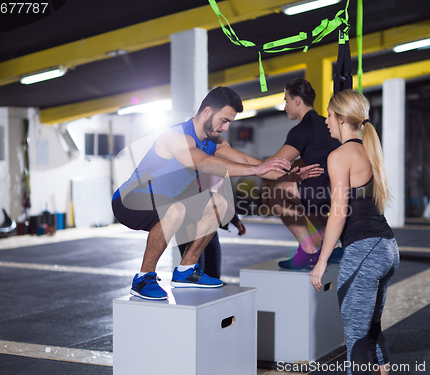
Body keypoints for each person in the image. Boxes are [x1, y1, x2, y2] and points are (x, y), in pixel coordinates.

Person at [112, 86, 321, 300]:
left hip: (169, 204)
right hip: (130, 200)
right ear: (207, 112)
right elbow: (202, 162)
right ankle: (143, 278)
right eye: (224, 120)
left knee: (219, 204)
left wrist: (288, 175)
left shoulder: (214, 141)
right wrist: (256, 170)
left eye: (230, 122)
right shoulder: (176, 136)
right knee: (174, 209)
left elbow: (250, 161)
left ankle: (186, 271)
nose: (226, 127)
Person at [309, 89, 399, 375]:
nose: (325, 121)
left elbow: (339, 212)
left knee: (356, 338)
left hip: (364, 252)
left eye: (329, 114)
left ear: (340, 118)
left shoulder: (339, 155)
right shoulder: (369, 149)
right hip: (387, 248)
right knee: (371, 328)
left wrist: (321, 261)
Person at [267, 78, 341, 269]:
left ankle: (308, 253)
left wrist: (247, 165)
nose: (285, 107)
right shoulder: (326, 123)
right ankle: (329, 247)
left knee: (278, 192)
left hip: (325, 190)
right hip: (341, 188)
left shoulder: (302, 129)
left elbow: (275, 166)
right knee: (305, 194)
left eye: (286, 101)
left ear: (297, 101)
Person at [178, 212, 245, 279]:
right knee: (195, 276)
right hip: (192, 228)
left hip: (211, 228)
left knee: (213, 276)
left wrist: (235, 219)